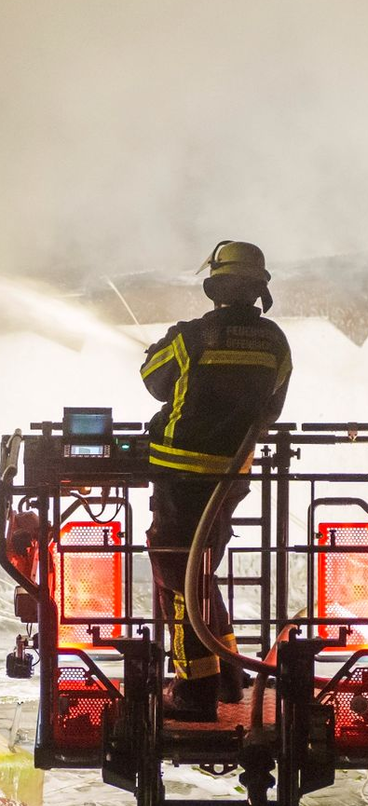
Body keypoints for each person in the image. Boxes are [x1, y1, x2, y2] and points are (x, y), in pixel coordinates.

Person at [140, 241, 291, 721]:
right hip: (231, 476)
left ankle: (195, 689)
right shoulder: (276, 342)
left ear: (216, 287)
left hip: (180, 473)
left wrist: (158, 349)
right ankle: (227, 674)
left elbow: (152, 378)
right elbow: (272, 407)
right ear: (257, 290)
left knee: (177, 576)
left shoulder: (192, 337)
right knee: (199, 570)